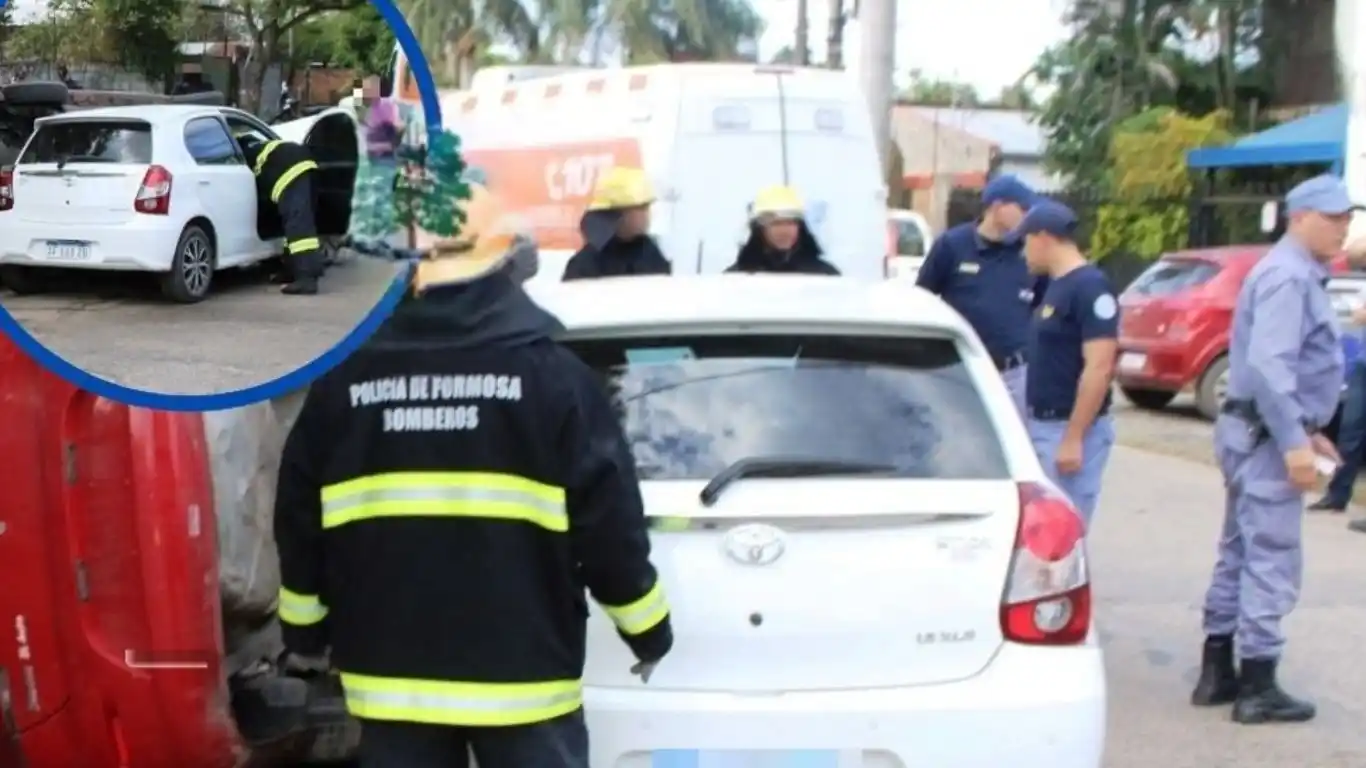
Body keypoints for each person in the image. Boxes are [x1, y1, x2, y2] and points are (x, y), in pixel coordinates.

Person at [273, 193, 674, 767]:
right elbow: (609, 522)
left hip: (391, 684)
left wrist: (305, 637)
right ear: (499, 261)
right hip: (525, 679)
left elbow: (298, 518)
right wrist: (647, 628)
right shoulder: (555, 380)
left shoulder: (344, 382)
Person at [1190, 174, 1350, 725]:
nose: (1343, 228)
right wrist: (1293, 443)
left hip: (1254, 431)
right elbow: (1271, 366)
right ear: (1298, 217)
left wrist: (1306, 430)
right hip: (1264, 438)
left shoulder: (1293, 272)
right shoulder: (1287, 276)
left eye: (1347, 218)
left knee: (1239, 548)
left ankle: (1218, 672)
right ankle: (1257, 684)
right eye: (1333, 219)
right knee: (1271, 556)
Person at [1012, 200, 1119, 526]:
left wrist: (1074, 436)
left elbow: (1099, 367)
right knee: (1043, 529)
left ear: (1044, 236)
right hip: (1044, 425)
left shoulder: (1089, 287)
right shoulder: (1055, 286)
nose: (1023, 251)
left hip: (1067, 428)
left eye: (1025, 240)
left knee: (1062, 530)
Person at [916, 175, 1046, 414]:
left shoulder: (1029, 252)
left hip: (1014, 373)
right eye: (1023, 208)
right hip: (962, 371)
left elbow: (1043, 307)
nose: (1028, 217)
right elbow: (922, 299)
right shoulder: (952, 246)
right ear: (997, 207)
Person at [238, 135, 324, 295]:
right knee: (294, 225)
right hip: (305, 164)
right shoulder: (257, 147)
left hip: (289, 171)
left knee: (299, 227)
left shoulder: (242, 156)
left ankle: (307, 279)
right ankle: (292, 271)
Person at [562, 167, 671, 280]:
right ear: (618, 213)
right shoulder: (586, 263)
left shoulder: (651, 253)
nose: (646, 215)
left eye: (647, 207)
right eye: (640, 208)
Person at [724, 185, 839, 275]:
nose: (784, 231)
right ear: (760, 229)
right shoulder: (734, 279)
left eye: (790, 223)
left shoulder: (825, 276)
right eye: (776, 223)